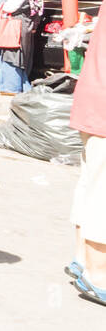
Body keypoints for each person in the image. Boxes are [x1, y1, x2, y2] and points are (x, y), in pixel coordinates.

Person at [67, 26, 106, 306]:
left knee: (92, 182)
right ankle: (99, 274)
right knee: (100, 191)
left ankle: (82, 258)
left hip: (93, 100)